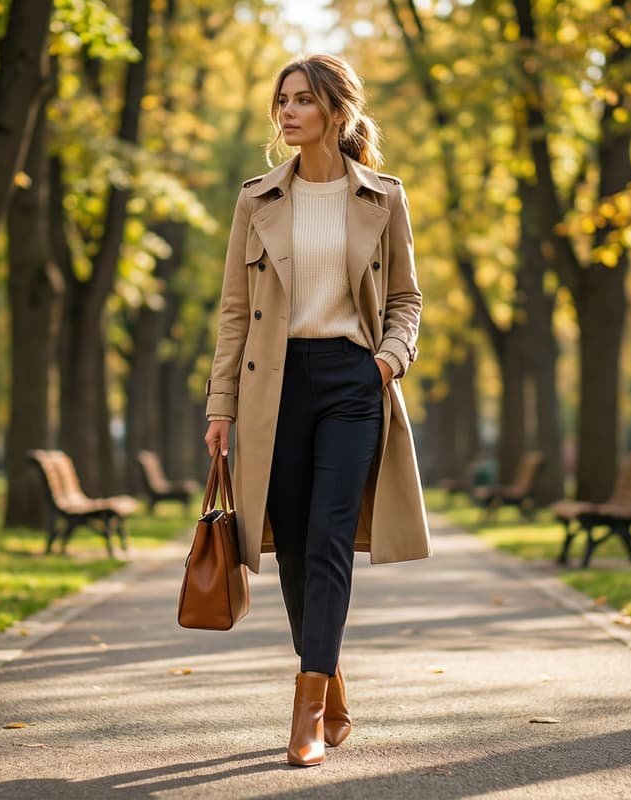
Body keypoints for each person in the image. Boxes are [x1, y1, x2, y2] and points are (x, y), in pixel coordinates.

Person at [203, 54, 430, 767]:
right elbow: (234, 312)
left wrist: (388, 359)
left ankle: (304, 711)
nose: (288, 111)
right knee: (296, 545)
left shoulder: (383, 198)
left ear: (337, 111)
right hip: (273, 384)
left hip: (352, 382)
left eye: (303, 100)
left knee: (331, 538)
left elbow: (407, 300)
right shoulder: (256, 200)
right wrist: (220, 406)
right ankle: (329, 682)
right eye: (282, 101)